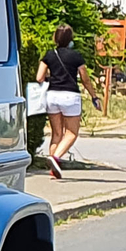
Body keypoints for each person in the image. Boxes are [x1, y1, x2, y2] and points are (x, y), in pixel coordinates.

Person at [37, 25, 86, 179]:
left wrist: (53, 77)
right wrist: (93, 95)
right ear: (70, 39)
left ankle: (53, 170)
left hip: (52, 96)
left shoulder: (50, 55)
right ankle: (55, 158)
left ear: (55, 38)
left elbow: (39, 77)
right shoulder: (76, 56)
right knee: (71, 133)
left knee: (56, 133)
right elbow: (85, 78)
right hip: (70, 96)